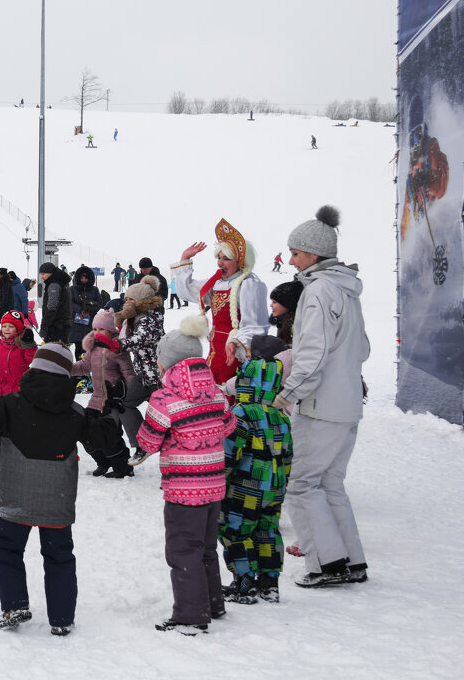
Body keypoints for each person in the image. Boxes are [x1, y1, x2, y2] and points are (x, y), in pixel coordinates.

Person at [0, 344, 122, 637]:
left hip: (16, 500)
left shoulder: (10, 405)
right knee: (59, 557)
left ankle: (14, 605)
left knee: (5, 549)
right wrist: (114, 408)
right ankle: (62, 618)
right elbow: (103, 436)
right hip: (58, 501)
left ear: (33, 369)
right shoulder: (75, 412)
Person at [274, 206, 371, 588]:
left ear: (314, 254)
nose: (291, 259)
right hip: (347, 404)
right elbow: (362, 349)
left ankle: (326, 563)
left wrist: (288, 394)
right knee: (330, 484)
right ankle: (352, 561)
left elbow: (311, 353)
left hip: (320, 406)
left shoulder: (317, 292)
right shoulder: (348, 290)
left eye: (295, 252)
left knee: (301, 484)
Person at [136, 315, 235, 635]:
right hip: (214, 484)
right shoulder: (217, 392)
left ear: (168, 363)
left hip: (183, 489)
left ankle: (192, 615)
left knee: (182, 550)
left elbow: (147, 441)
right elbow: (229, 426)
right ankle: (212, 602)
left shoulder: (164, 398)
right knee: (206, 547)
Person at [219, 345, 292, 606]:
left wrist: (220, 481)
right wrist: (281, 483)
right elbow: (288, 456)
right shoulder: (280, 417)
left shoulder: (240, 415)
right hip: (274, 487)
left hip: (244, 487)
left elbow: (229, 452)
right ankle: (269, 583)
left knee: (236, 531)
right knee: (268, 531)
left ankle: (244, 582)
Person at [170, 218, 269, 386]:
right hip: (215, 352)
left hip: (235, 354)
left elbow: (255, 325)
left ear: (240, 261)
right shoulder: (217, 282)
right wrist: (185, 258)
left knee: (228, 392)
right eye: (219, 257)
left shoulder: (249, 284)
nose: (220, 263)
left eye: (226, 259)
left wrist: (237, 344)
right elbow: (187, 291)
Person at [67, 310, 136, 478]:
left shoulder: (118, 350)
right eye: (95, 329)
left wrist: (130, 393)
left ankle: (123, 467)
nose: (97, 333)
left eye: (101, 329)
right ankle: (102, 462)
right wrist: (65, 367)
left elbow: (129, 373)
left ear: (112, 331)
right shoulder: (93, 349)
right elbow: (83, 367)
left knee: (110, 436)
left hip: (112, 402)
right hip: (95, 400)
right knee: (85, 432)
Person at [114, 275, 165, 464]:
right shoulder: (133, 319)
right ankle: (141, 445)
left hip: (159, 377)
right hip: (143, 375)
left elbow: (141, 338)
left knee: (164, 418)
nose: (127, 303)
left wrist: (117, 345)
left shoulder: (151, 318)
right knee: (124, 404)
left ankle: (174, 460)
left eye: (131, 300)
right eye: (126, 299)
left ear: (142, 302)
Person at [0, 311, 38, 397]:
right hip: (3, 389)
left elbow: (31, 358)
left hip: (20, 389)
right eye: (4, 326)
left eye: (11, 326)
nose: (6, 329)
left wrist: (29, 344)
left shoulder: (21, 345)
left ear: (18, 329)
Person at [67, 266, 102, 360]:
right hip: (76, 322)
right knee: (78, 345)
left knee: (89, 345)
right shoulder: (72, 289)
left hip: (90, 322)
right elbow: (70, 303)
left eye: (86, 278)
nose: (84, 280)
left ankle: (88, 368)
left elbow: (99, 303)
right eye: (82, 278)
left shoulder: (94, 290)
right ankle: (79, 366)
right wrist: (80, 310)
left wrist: (90, 310)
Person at [38, 262, 74, 345]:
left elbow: (51, 307)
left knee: (52, 353)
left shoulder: (54, 284)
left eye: (43, 274)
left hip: (55, 326)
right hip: (64, 324)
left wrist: (44, 327)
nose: (41, 276)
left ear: (50, 273)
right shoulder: (62, 282)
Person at [0, 267, 14, 331]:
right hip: (2, 309)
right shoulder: (2, 284)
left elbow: (5, 299)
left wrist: (0, 309)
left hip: (4, 309)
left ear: (1, 275)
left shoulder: (5, 284)